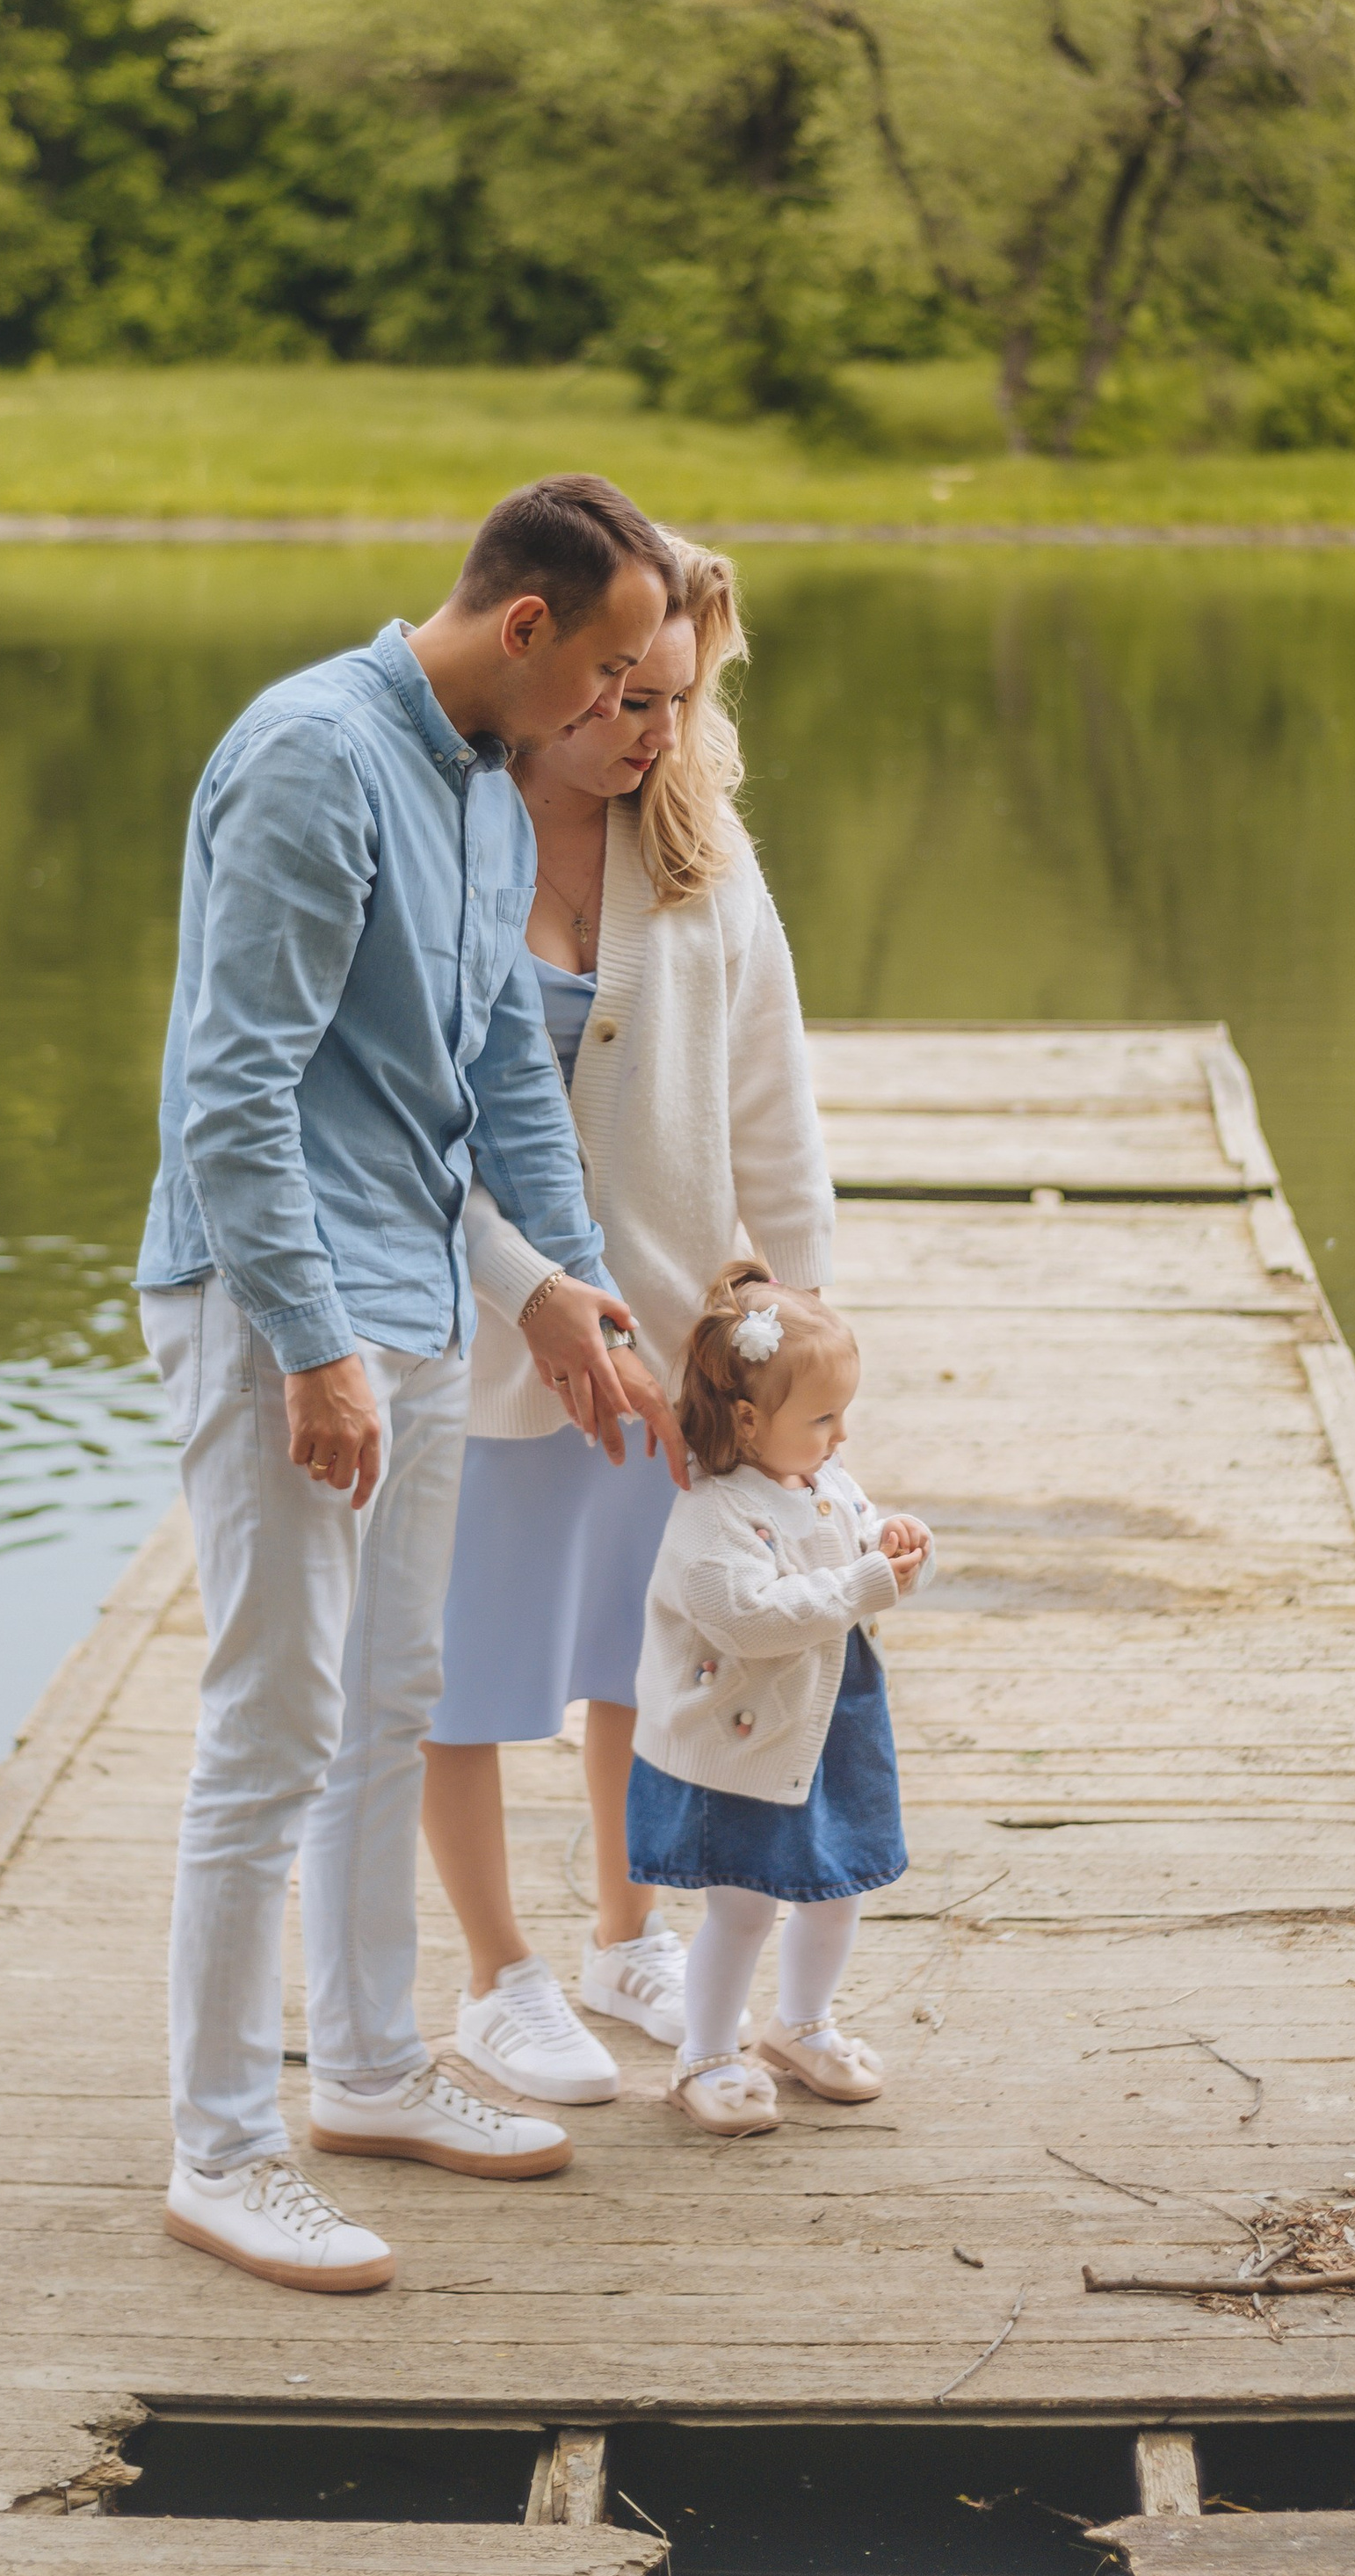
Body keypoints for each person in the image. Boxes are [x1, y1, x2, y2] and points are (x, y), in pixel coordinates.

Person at [135, 474, 685, 2297]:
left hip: (419, 1297)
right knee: (272, 1721)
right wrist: (312, 1343)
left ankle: (370, 2069)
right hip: (276, 1302)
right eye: (611, 675)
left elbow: (487, 1079)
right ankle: (223, 2149)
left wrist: (567, 1282)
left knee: (393, 1696)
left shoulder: (473, 780)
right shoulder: (311, 755)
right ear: (526, 630)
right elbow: (237, 1091)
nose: (620, 714)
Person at [422, 540, 837, 2104]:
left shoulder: (702, 864)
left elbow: (773, 1111)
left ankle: (623, 1937)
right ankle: (495, 1975)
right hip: (475, 1341)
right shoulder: (452, 830)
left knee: (635, 1662)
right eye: (623, 694)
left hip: (661, 1347)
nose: (647, 728)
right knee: (458, 1671)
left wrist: (794, 1325)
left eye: (675, 701)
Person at [627, 1262, 934, 2137]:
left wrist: (900, 1544)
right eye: (824, 1417)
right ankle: (706, 2054)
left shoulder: (820, 1477)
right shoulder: (713, 1516)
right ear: (750, 1420)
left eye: (844, 1414)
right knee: (743, 1901)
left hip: (832, 1720)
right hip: (748, 1735)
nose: (842, 1436)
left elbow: (859, 1539)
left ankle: (799, 2024)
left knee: (837, 1885)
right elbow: (749, 1620)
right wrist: (868, 1582)